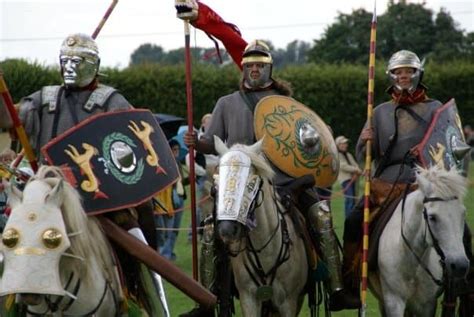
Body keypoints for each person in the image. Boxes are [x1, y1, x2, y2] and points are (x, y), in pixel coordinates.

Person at [0, 33, 169, 314]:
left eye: (77, 61)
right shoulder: (44, 99)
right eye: (66, 60)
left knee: (139, 238)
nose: (70, 66)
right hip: (48, 198)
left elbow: (130, 146)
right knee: (13, 238)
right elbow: (9, 120)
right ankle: (14, 299)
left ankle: (150, 298)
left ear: (93, 65)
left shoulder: (111, 101)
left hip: (101, 199)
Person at [341, 50, 473, 305]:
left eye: (408, 71)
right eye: (398, 72)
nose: (404, 76)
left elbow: (451, 143)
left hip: (425, 181)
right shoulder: (379, 112)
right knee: (353, 220)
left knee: (461, 227)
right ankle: (350, 282)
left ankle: (466, 287)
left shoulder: (435, 108)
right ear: (391, 76)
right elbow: (361, 154)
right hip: (386, 183)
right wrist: (365, 141)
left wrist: (425, 153)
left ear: (417, 73)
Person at [161, 139, 187, 260]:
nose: (176, 152)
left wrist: (191, 179)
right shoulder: (165, 162)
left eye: (177, 149)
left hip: (180, 197)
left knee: (176, 228)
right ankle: (165, 254)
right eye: (174, 149)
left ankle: (170, 252)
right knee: (169, 229)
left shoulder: (178, 163)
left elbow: (180, 182)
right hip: (170, 199)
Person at [335, 135, 362, 218]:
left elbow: (354, 165)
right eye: (343, 143)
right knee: (349, 200)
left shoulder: (348, 155)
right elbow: (344, 166)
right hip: (346, 180)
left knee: (352, 200)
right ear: (338, 145)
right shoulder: (337, 155)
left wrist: (358, 170)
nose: (346, 145)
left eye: (346, 143)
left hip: (352, 180)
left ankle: (350, 217)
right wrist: (357, 170)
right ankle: (348, 218)